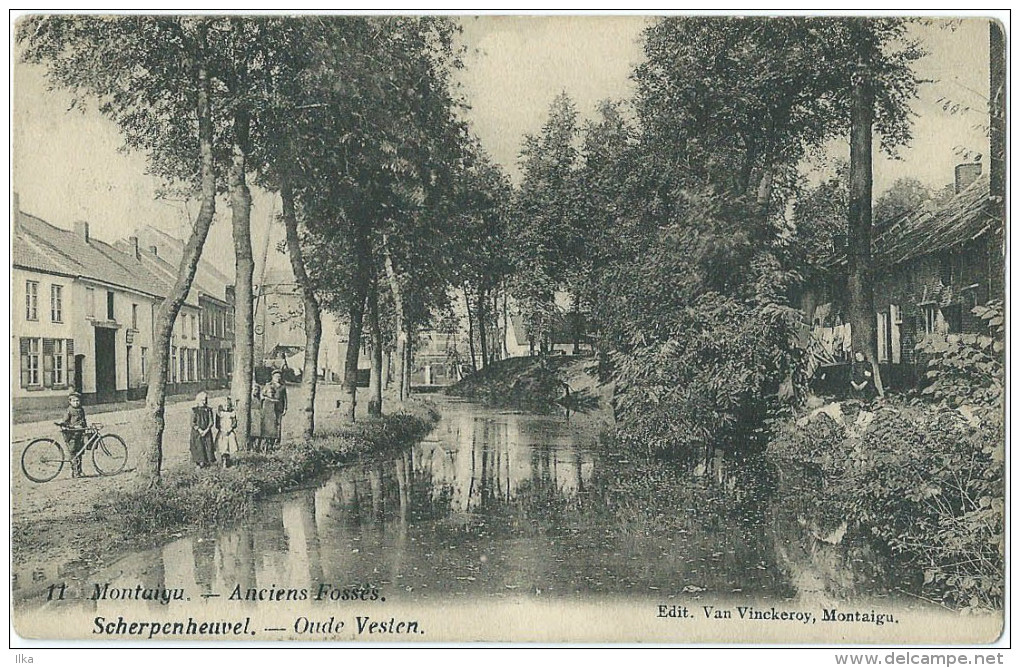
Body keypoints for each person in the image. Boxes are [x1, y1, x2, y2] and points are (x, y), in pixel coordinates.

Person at [57, 392, 87, 478]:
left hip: (80, 434)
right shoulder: (69, 410)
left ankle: (80, 470)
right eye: (74, 401)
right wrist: (72, 426)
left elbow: (83, 420)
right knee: (73, 453)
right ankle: (75, 472)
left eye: (78, 401)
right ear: (70, 401)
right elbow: (65, 422)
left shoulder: (81, 409)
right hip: (72, 435)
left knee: (80, 453)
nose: (76, 402)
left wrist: (85, 428)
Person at [261, 369, 288, 449]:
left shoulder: (282, 386)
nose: (278, 378)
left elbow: (285, 398)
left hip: (279, 408)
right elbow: (262, 395)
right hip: (269, 408)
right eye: (276, 376)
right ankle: (268, 441)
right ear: (272, 377)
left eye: (279, 376)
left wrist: (285, 408)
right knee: (269, 424)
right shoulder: (268, 385)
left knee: (278, 424)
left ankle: (276, 442)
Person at [190, 391, 216, 468]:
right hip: (197, 433)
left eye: (205, 400)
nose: (204, 402)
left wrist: (206, 430)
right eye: (202, 400)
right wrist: (200, 430)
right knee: (198, 447)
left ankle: (207, 462)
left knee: (207, 447)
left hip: (206, 432)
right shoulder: (194, 410)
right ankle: (199, 463)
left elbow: (211, 422)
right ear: (198, 401)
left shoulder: (208, 410)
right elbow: (192, 422)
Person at [215, 397, 239, 468]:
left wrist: (230, 429)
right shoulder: (220, 414)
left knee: (230, 447)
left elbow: (234, 423)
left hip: (230, 432)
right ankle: (223, 462)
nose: (226, 407)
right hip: (222, 432)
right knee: (223, 448)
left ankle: (229, 461)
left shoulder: (232, 414)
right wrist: (222, 429)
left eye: (227, 405)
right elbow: (217, 424)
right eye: (224, 405)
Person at [250, 383, 264, 452]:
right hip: (252, 415)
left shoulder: (260, 399)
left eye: (257, 390)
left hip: (258, 415)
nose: (256, 391)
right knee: (252, 432)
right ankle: (252, 446)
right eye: (254, 390)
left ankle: (258, 447)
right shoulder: (249, 399)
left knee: (259, 432)